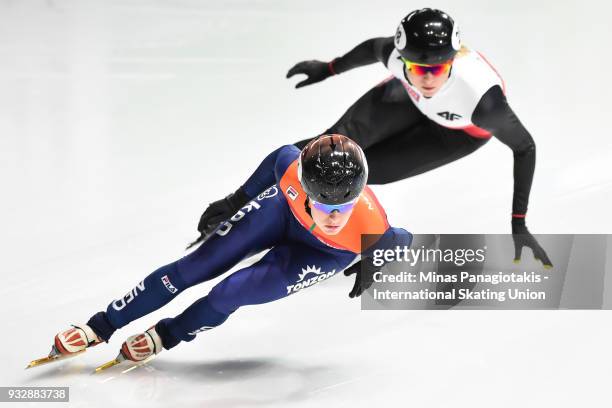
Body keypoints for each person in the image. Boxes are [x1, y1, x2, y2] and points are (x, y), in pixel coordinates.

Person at [197, 8, 552, 268]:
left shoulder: (482, 101)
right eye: (416, 68)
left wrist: (518, 223)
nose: (427, 79)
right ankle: (243, 205)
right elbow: (372, 48)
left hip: (456, 133)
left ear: (453, 62)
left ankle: (308, 223)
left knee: (367, 172)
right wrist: (329, 67)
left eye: (437, 69)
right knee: (328, 147)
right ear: (403, 60)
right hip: (406, 102)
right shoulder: (397, 58)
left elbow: (526, 147)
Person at [50, 135, 412, 364]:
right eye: (322, 203)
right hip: (280, 214)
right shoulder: (290, 168)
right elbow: (279, 155)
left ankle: (168, 334)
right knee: (190, 269)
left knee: (231, 292)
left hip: (324, 253)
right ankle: (101, 324)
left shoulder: (372, 226)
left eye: (344, 205)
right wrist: (236, 199)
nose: (333, 216)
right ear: (304, 186)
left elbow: (405, 238)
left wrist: (374, 262)